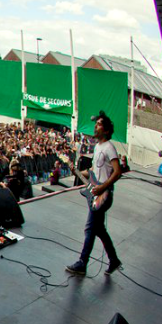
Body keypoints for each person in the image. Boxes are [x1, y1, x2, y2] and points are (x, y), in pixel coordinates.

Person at [67, 112, 123, 276]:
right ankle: (113, 260)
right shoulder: (97, 147)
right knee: (99, 230)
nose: (95, 126)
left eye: (98, 124)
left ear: (105, 130)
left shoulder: (109, 148)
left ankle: (83, 263)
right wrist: (76, 171)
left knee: (90, 228)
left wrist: (103, 187)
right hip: (97, 192)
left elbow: (117, 172)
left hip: (103, 195)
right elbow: (93, 172)